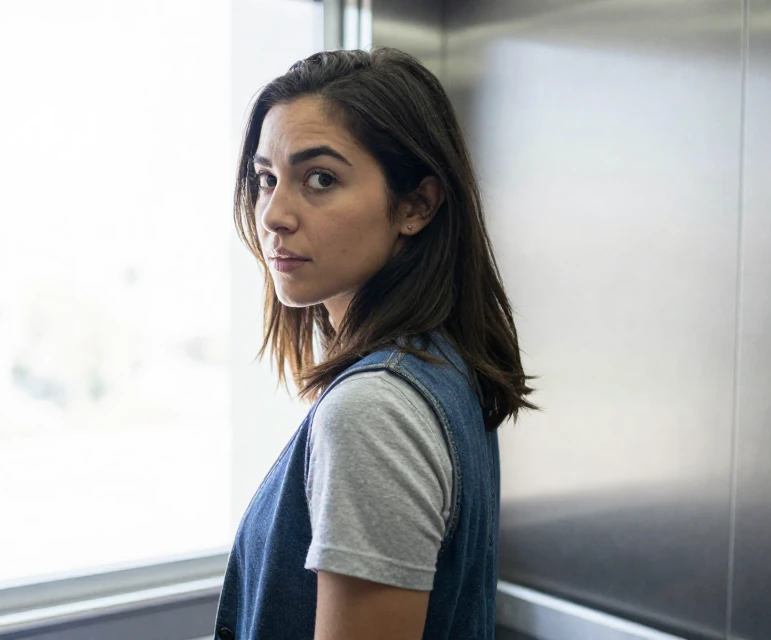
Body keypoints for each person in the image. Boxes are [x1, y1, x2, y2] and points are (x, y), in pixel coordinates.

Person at [213, 47, 535, 640]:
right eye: (265, 179)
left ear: (416, 205)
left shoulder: (374, 411)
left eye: (321, 179)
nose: (274, 214)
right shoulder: (439, 365)